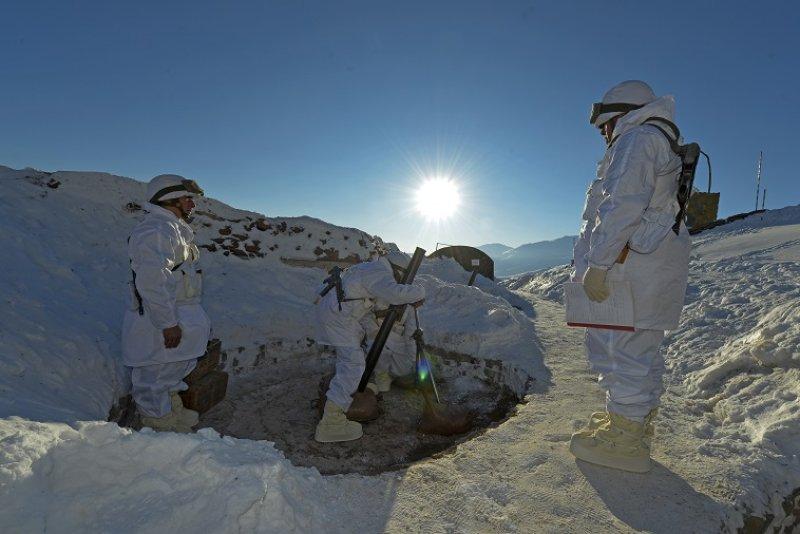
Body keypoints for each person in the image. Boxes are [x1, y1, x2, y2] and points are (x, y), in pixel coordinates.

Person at [569, 80, 691, 473]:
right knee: (635, 351)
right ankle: (630, 423)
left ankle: (625, 441)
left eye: (604, 124)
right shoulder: (655, 139)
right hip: (644, 269)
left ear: (616, 115)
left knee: (623, 353)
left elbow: (620, 206)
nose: (603, 133)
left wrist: (598, 266)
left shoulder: (637, 139)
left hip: (630, 271)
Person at [122, 174, 211, 433]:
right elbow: (152, 281)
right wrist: (168, 323)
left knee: (171, 372)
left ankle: (171, 411)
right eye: (187, 199)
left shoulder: (172, 230)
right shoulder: (155, 231)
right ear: (169, 200)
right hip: (159, 323)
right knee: (153, 378)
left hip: (181, 315)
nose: (192, 205)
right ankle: (158, 427)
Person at [315, 250, 425, 443]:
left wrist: (374, 329)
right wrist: (420, 292)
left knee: (353, 360)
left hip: (339, 314)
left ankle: (352, 388)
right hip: (339, 318)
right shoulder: (377, 271)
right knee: (353, 365)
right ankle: (331, 423)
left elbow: (366, 303)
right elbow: (396, 294)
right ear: (397, 270)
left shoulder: (369, 269)